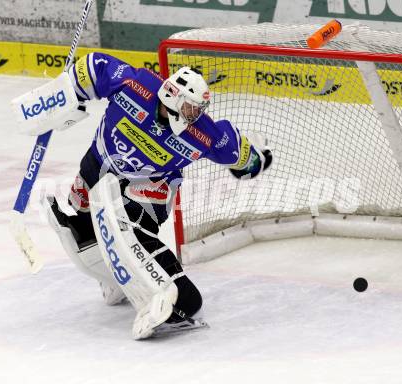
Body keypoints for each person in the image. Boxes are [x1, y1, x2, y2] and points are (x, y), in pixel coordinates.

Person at [16, 52, 272, 339]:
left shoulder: (202, 133)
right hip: (98, 162)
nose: (195, 116)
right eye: (190, 109)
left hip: (150, 188)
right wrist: (64, 94)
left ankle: (171, 292)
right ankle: (117, 278)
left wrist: (257, 160)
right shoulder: (135, 85)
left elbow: (242, 157)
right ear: (173, 99)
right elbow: (93, 67)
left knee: (129, 223)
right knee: (80, 216)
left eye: (198, 110)